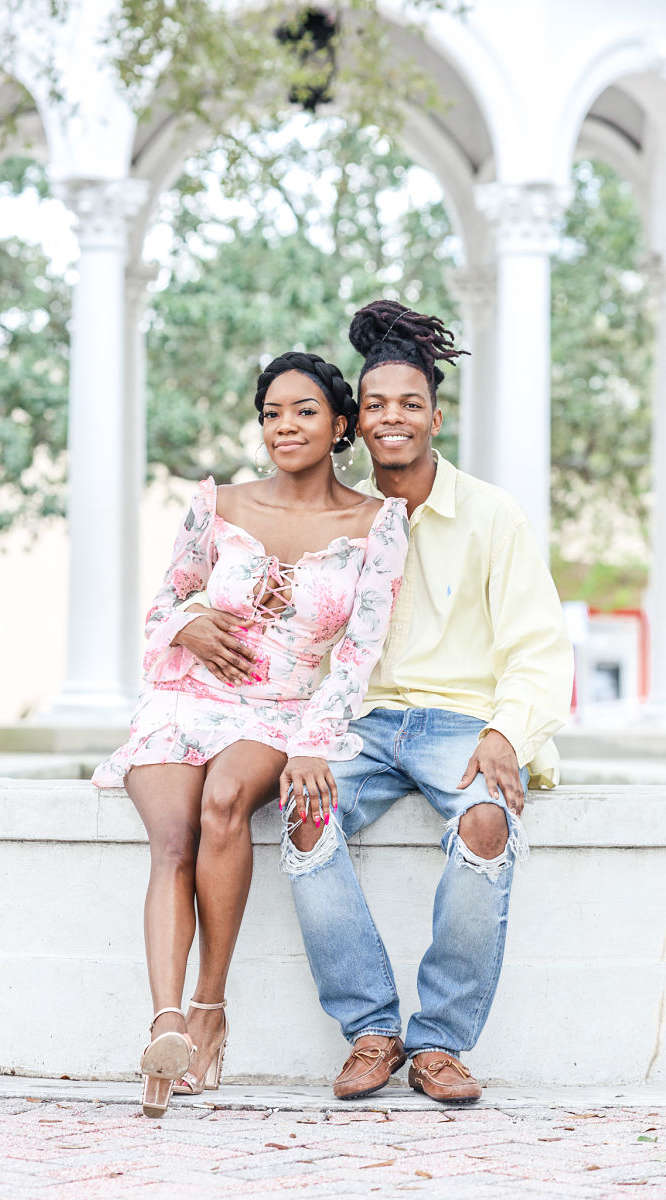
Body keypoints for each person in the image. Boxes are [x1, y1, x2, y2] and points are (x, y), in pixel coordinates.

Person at [92, 350, 408, 1118]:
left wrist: (314, 741)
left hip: (281, 708)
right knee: (172, 839)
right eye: (272, 413)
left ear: (340, 425)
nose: (284, 426)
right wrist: (190, 624)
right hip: (184, 693)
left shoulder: (377, 524)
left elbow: (359, 655)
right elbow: (165, 600)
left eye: (303, 411)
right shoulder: (217, 504)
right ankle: (165, 1025)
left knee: (225, 803)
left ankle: (210, 1006)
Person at [280, 300, 574, 1104]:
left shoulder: (490, 515)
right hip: (362, 724)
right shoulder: (340, 518)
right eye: (376, 405)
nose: (392, 417)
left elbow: (540, 648)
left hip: (462, 722)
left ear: (436, 417)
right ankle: (373, 1031)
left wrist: (506, 733)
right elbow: (297, 638)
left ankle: (439, 1043)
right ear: (354, 421)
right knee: (303, 814)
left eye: (410, 403)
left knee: (485, 822)